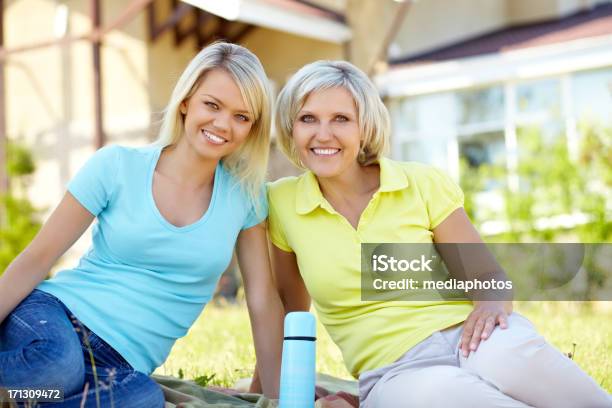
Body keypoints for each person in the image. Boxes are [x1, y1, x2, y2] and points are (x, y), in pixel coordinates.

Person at [265, 60, 612, 407]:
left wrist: (491, 303)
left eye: (341, 119)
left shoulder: (420, 183)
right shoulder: (283, 203)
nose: (323, 134)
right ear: (290, 128)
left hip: (472, 337)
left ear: (364, 127)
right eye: (307, 118)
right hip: (396, 373)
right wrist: (266, 386)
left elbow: (487, 276)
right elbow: (288, 314)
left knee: (524, 365)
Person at [0, 42, 283, 407]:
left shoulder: (246, 195)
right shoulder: (117, 165)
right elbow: (37, 259)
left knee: (143, 400)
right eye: (212, 105)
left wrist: (279, 398)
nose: (222, 124)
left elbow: (261, 300)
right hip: (56, 320)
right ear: (186, 101)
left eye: (241, 117)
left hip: (121, 364)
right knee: (55, 369)